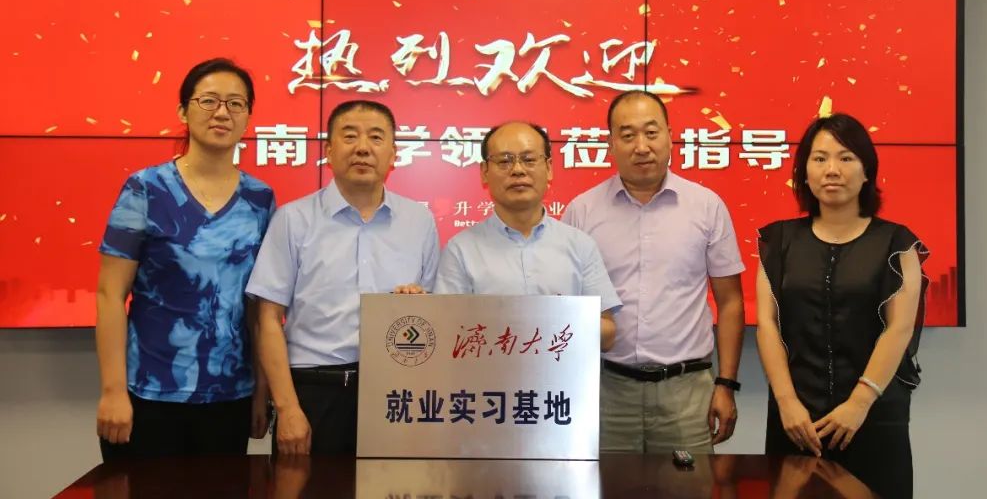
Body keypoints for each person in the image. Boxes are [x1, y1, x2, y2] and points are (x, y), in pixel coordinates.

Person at [95, 57, 275, 459]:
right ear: (183, 111)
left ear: (248, 117)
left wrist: (261, 390)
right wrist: (113, 390)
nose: (222, 113)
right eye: (208, 100)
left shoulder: (260, 199)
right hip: (149, 394)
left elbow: (257, 307)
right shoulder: (146, 188)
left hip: (230, 396)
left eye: (235, 103)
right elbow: (110, 295)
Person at [246, 100, 438, 455]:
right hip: (313, 392)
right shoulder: (294, 219)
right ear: (329, 151)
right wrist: (287, 408)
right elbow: (268, 319)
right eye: (350, 136)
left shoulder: (419, 221)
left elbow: (434, 316)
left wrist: (418, 304)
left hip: (396, 391)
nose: (362, 147)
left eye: (376, 137)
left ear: (394, 153)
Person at [756, 113, 928, 499]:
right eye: (819, 158)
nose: (832, 170)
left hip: (872, 417)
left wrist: (859, 403)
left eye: (846, 158)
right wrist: (786, 402)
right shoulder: (777, 241)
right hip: (796, 419)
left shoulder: (897, 243)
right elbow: (767, 323)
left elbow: (899, 327)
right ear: (804, 172)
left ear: (867, 171)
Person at [563, 90, 745, 453]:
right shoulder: (581, 212)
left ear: (670, 136)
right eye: (628, 135)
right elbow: (565, 307)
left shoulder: (706, 206)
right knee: (605, 483)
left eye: (651, 132)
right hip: (605, 389)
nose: (641, 147)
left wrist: (726, 384)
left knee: (688, 483)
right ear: (611, 144)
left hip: (687, 392)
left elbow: (730, 303)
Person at [435, 121, 620, 348]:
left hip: (562, 371)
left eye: (529, 159)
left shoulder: (580, 245)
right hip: (487, 371)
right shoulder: (461, 249)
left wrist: (554, 321)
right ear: (484, 172)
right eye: (504, 161)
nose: (518, 170)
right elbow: (445, 330)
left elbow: (608, 333)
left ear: (549, 168)